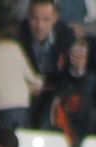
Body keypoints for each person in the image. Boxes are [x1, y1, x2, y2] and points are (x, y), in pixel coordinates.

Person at [20, 0, 71, 128]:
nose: (40, 26)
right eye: (35, 19)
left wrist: (45, 84)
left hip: (55, 90)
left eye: (46, 19)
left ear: (55, 19)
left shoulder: (66, 36)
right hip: (27, 89)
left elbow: (68, 74)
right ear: (28, 16)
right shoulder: (19, 36)